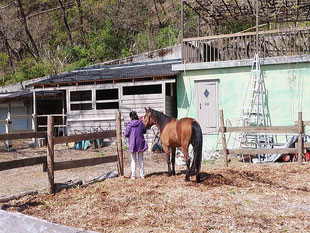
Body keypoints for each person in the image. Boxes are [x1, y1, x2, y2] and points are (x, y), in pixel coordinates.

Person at [125, 111, 148, 179]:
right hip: (140, 143)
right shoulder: (140, 123)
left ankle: (133, 176)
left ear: (130, 117)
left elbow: (126, 134)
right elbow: (144, 131)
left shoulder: (129, 124)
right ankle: (142, 175)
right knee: (141, 159)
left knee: (133, 160)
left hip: (132, 143)